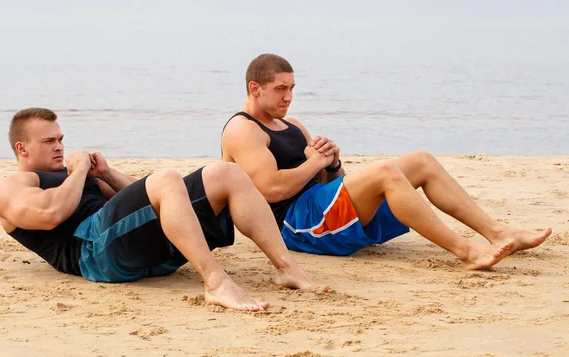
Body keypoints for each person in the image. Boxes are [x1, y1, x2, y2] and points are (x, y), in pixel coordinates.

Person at [221, 53, 552, 270]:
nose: (289, 97)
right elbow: (270, 190)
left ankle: (497, 232)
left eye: (292, 88)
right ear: (255, 88)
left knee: (421, 161)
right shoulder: (242, 130)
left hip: (318, 209)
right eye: (280, 89)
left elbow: (331, 185)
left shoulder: (293, 125)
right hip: (292, 226)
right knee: (385, 172)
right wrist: (312, 162)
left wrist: (332, 164)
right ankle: (466, 251)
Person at [0, 108, 328, 312]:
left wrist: (105, 173)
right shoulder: (14, 186)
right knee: (167, 178)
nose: (60, 146)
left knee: (227, 173)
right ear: (21, 148)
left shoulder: (74, 176)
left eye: (60, 138)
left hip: (135, 248)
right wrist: (78, 171)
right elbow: (51, 213)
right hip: (93, 254)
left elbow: (152, 196)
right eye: (49, 141)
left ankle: (288, 268)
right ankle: (216, 283)